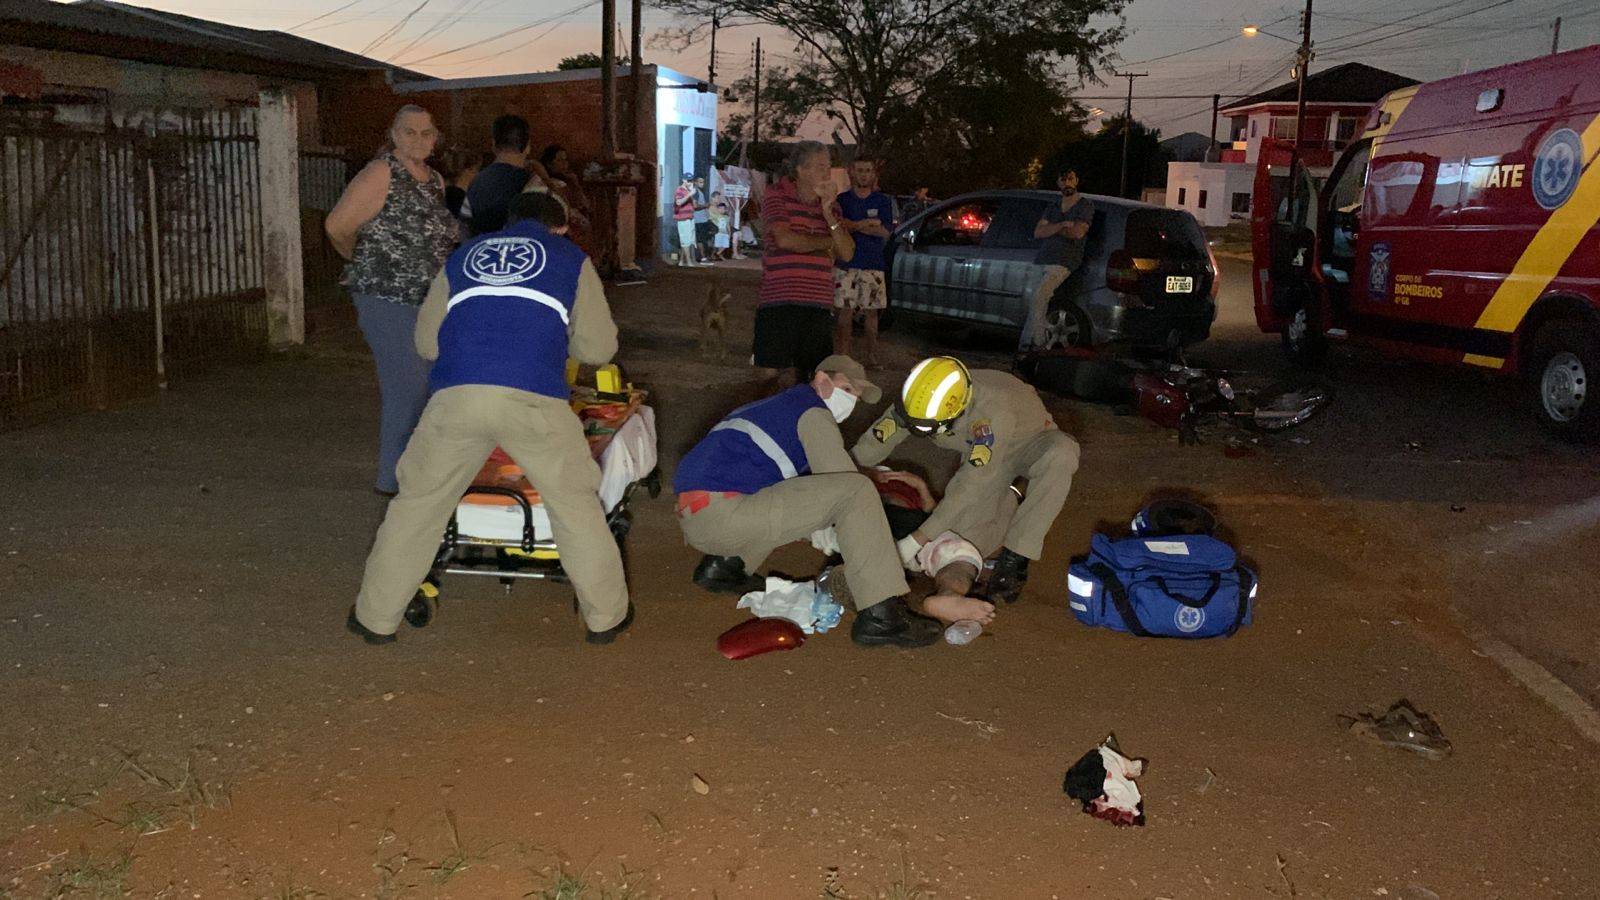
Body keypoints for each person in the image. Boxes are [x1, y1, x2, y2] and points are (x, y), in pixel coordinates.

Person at [346, 188, 631, 646]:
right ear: (558, 227)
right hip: (534, 399)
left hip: (456, 398)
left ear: (506, 222)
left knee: (417, 505)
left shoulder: (462, 257)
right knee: (574, 506)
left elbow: (427, 343)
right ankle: (606, 619)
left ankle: (375, 618)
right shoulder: (570, 257)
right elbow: (598, 349)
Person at [674, 355, 944, 648]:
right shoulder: (812, 410)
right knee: (857, 490)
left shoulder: (775, 406)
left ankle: (724, 567)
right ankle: (881, 615)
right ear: (820, 380)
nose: (851, 400)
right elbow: (842, 480)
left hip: (697, 517)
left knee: (785, 490)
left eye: (856, 395)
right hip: (726, 515)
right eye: (847, 388)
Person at [851, 356, 1081, 604]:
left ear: (955, 413)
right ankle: (1006, 501)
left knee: (1061, 455)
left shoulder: (989, 415)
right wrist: (836, 478)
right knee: (967, 542)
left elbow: (970, 485)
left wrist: (916, 539)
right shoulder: (921, 396)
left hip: (1028, 443)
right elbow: (871, 445)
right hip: (984, 454)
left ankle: (1016, 557)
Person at [325, 104, 460, 496]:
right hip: (385, 297)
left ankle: (419, 470)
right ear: (393, 134)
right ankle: (392, 479)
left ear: (436, 139)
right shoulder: (382, 172)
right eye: (409, 132)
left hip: (426, 299)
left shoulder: (433, 179)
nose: (418, 139)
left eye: (426, 133)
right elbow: (337, 225)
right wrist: (362, 258)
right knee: (407, 385)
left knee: (432, 383)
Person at [756, 141, 855, 388]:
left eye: (828, 166)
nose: (827, 173)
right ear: (801, 170)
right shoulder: (777, 194)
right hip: (779, 298)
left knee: (813, 378)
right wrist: (826, 244)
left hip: (817, 303)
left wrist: (828, 212)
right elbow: (785, 238)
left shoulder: (833, 207)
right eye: (821, 166)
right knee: (771, 374)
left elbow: (847, 251)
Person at [1024, 167, 1095, 351]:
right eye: (1063, 179)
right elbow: (1038, 232)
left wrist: (1053, 229)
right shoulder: (1054, 206)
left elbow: (1078, 232)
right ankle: (1025, 347)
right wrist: (1063, 224)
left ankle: (1038, 344)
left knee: (1040, 297)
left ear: (1076, 180)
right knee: (1033, 303)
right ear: (1058, 183)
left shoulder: (1084, 205)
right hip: (1043, 258)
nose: (1067, 183)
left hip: (1064, 261)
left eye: (1070, 178)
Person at [833, 157, 894, 366]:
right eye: (860, 170)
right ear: (852, 172)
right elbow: (839, 227)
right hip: (846, 264)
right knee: (844, 312)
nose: (864, 174)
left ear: (873, 174)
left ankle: (871, 357)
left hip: (873, 264)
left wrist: (854, 225)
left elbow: (884, 231)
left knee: (872, 313)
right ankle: (843, 358)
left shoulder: (883, 201)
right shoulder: (842, 200)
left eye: (868, 170)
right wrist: (865, 224)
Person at [466, 114, 533, 236]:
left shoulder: (475, 182)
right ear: (527, 146)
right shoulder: (532, 185)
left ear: (493, 144)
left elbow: (464, 229)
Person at [537, 144, 596, 258]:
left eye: (566, 160)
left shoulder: (567, 181)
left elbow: (585, 205)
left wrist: (575, 183)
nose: (565, 164)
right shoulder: (552, 183)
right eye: (560, 160)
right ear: (549, 164)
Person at [673, 173, 704, 267]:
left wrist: (691, 193)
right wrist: (689, 194)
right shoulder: (679, 190)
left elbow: (694, 205)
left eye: (691, 180)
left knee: (688, 240)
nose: (690, 182)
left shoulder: (689, 190)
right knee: (685, 241)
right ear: (683, 180)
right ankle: (689, 261)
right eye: (688, 180)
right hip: (683, 219)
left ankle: (682, 261)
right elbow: (678, 202)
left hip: (690, 218)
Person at [692, 175, 715, 261]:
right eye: (700, 182)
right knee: (701, 239)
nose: (702, 184)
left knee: (705, 238)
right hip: (699, 220)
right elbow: (695, 206)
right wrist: (706, 205)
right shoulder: (695, 192)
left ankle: (705, 255)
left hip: (703, 219)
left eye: (703, 182)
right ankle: (703, 256)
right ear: (695, 182)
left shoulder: (699, 192)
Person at [708, 191, 731, 260]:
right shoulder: (711, 207)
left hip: (721, 227)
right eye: (717, 198)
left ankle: (718, 254)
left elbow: (723, 216)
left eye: (719, 198)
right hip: (715, 227)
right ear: (713, 198)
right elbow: (714, 217)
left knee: (724, 239)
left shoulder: (718, 207)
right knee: (718, 239)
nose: (719, 199)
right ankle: (716, 254)